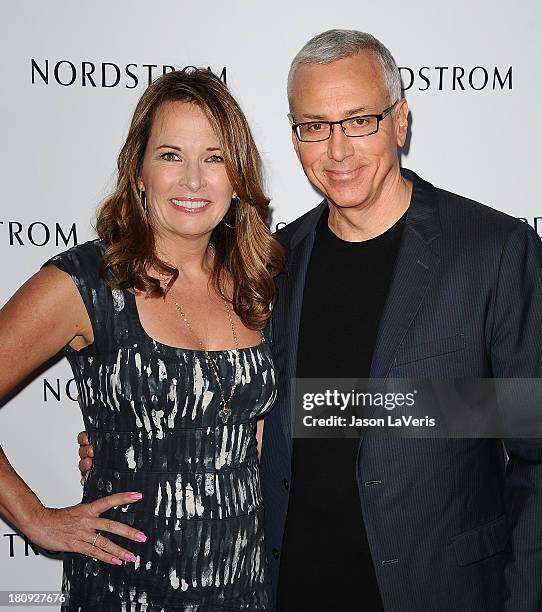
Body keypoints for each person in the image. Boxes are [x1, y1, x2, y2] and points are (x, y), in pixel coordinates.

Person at [79, 31, 542, 611]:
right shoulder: (271, 261)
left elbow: (534, 448)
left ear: (400, 121)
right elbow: (251, 409)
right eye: (314, 126)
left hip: (438, 589)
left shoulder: (493, 251)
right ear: (295, 136)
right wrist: (135, 446)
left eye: (359, 121)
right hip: (289, 587)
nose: (337, 149)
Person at [0, 68, 284, 610]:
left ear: (237, 174)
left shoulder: (256, 282)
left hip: (245, 586)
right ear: (139, 172)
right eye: (171, 155)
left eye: (215, 157)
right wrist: (35, 520)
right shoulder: (86, 283)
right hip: (127, 588)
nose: (194, 181)